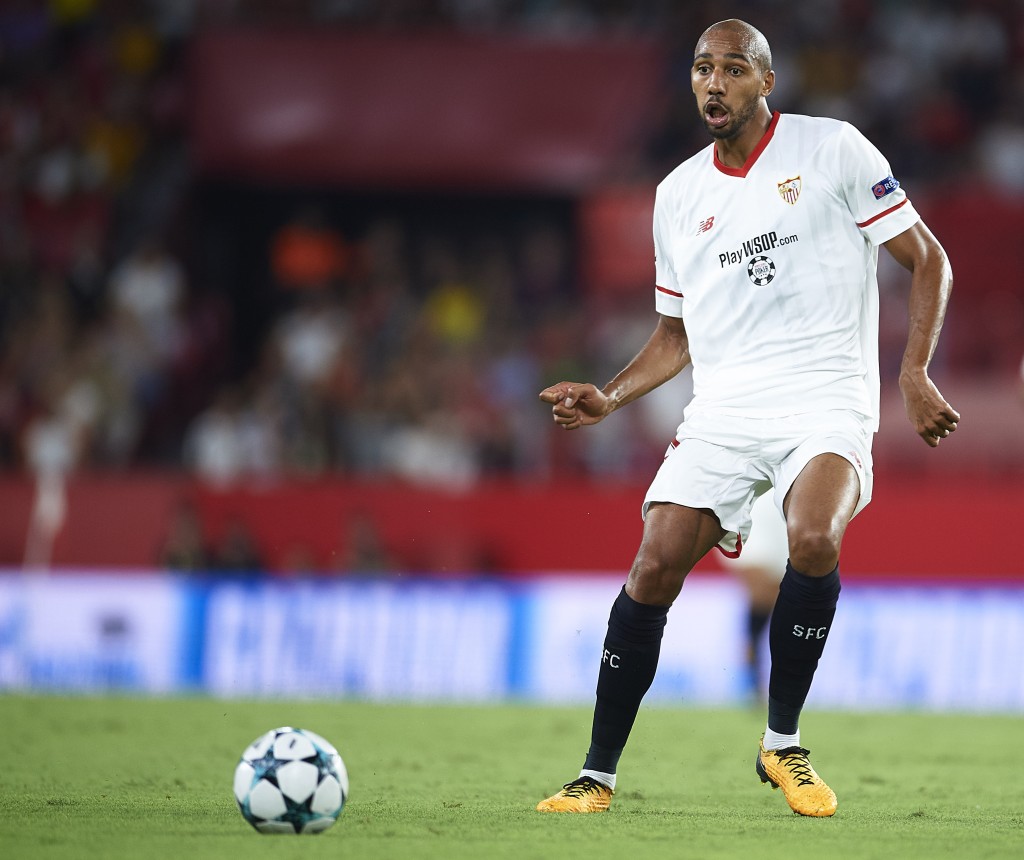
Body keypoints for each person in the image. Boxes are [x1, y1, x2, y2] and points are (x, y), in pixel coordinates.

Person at [535, 19, 959, 818]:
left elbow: (927, 256)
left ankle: (783, 744)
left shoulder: (833, 149)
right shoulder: (677, 194)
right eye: (702, 68)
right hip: (726, 408)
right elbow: (674, 334)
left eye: (734, 68)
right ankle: (596, 775)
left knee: (814, 538)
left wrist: (913, 372)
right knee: (653, 567)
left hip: (827, 395)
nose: (714, 83)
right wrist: (611, 396)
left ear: (766, 82)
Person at [718, 489, 788, 698]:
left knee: (776, 605)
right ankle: (753, 679)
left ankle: (768, 682)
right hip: (753, 514)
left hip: (780, 521)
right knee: (761, 595)